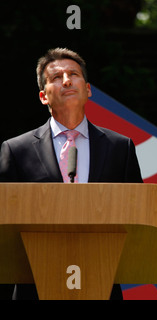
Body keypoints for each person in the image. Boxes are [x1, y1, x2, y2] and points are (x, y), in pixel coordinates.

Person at [0, 48, 143, 299]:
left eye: (73, 74)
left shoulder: (121, 147)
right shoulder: (16, 150)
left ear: (88, 89)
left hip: (101, 280)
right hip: (35, 284)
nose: (66, 80)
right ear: (43, 96)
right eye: (56, 77)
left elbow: (137, 215)